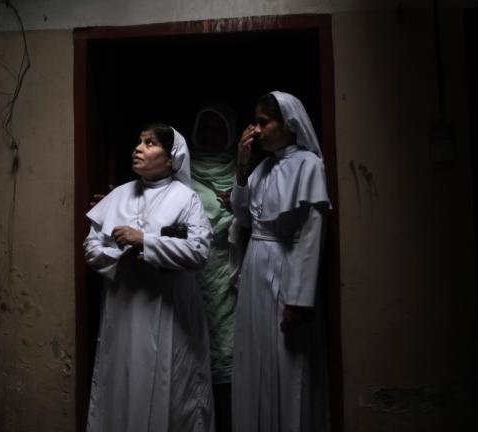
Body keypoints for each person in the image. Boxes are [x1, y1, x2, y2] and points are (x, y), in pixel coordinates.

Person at [84, 124, 215, 432]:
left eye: (150, 143)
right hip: (124, 308)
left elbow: (199, 252)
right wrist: (120, 253)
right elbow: (91, 248)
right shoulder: (119, 194)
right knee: (123, 380)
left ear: (171, 159)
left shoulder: (186, 199)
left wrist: (146, 242)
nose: (138, 148)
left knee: (170, 383)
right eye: (139, 141)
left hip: (169, 309)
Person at [230, 92, 330, 431]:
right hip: (256, 265)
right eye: (255, 122)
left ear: (287, 124)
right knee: (256, 354)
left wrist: (298, 298)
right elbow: (244, 218)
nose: (255, 130)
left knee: (287, 360)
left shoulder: (309, 165)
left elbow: (311, 233)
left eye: (263, 122)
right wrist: (242, 167)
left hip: (285, 266)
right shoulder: (263, 167)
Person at [188, 105, 242, 431]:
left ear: (230, 135)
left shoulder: (244, 174)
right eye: (203, 128)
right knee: (193, 353)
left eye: (217, 128)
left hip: (231, 275)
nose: (209, 135)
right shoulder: (182, 173)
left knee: (228, 354)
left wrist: (237, 205)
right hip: (192, 275)